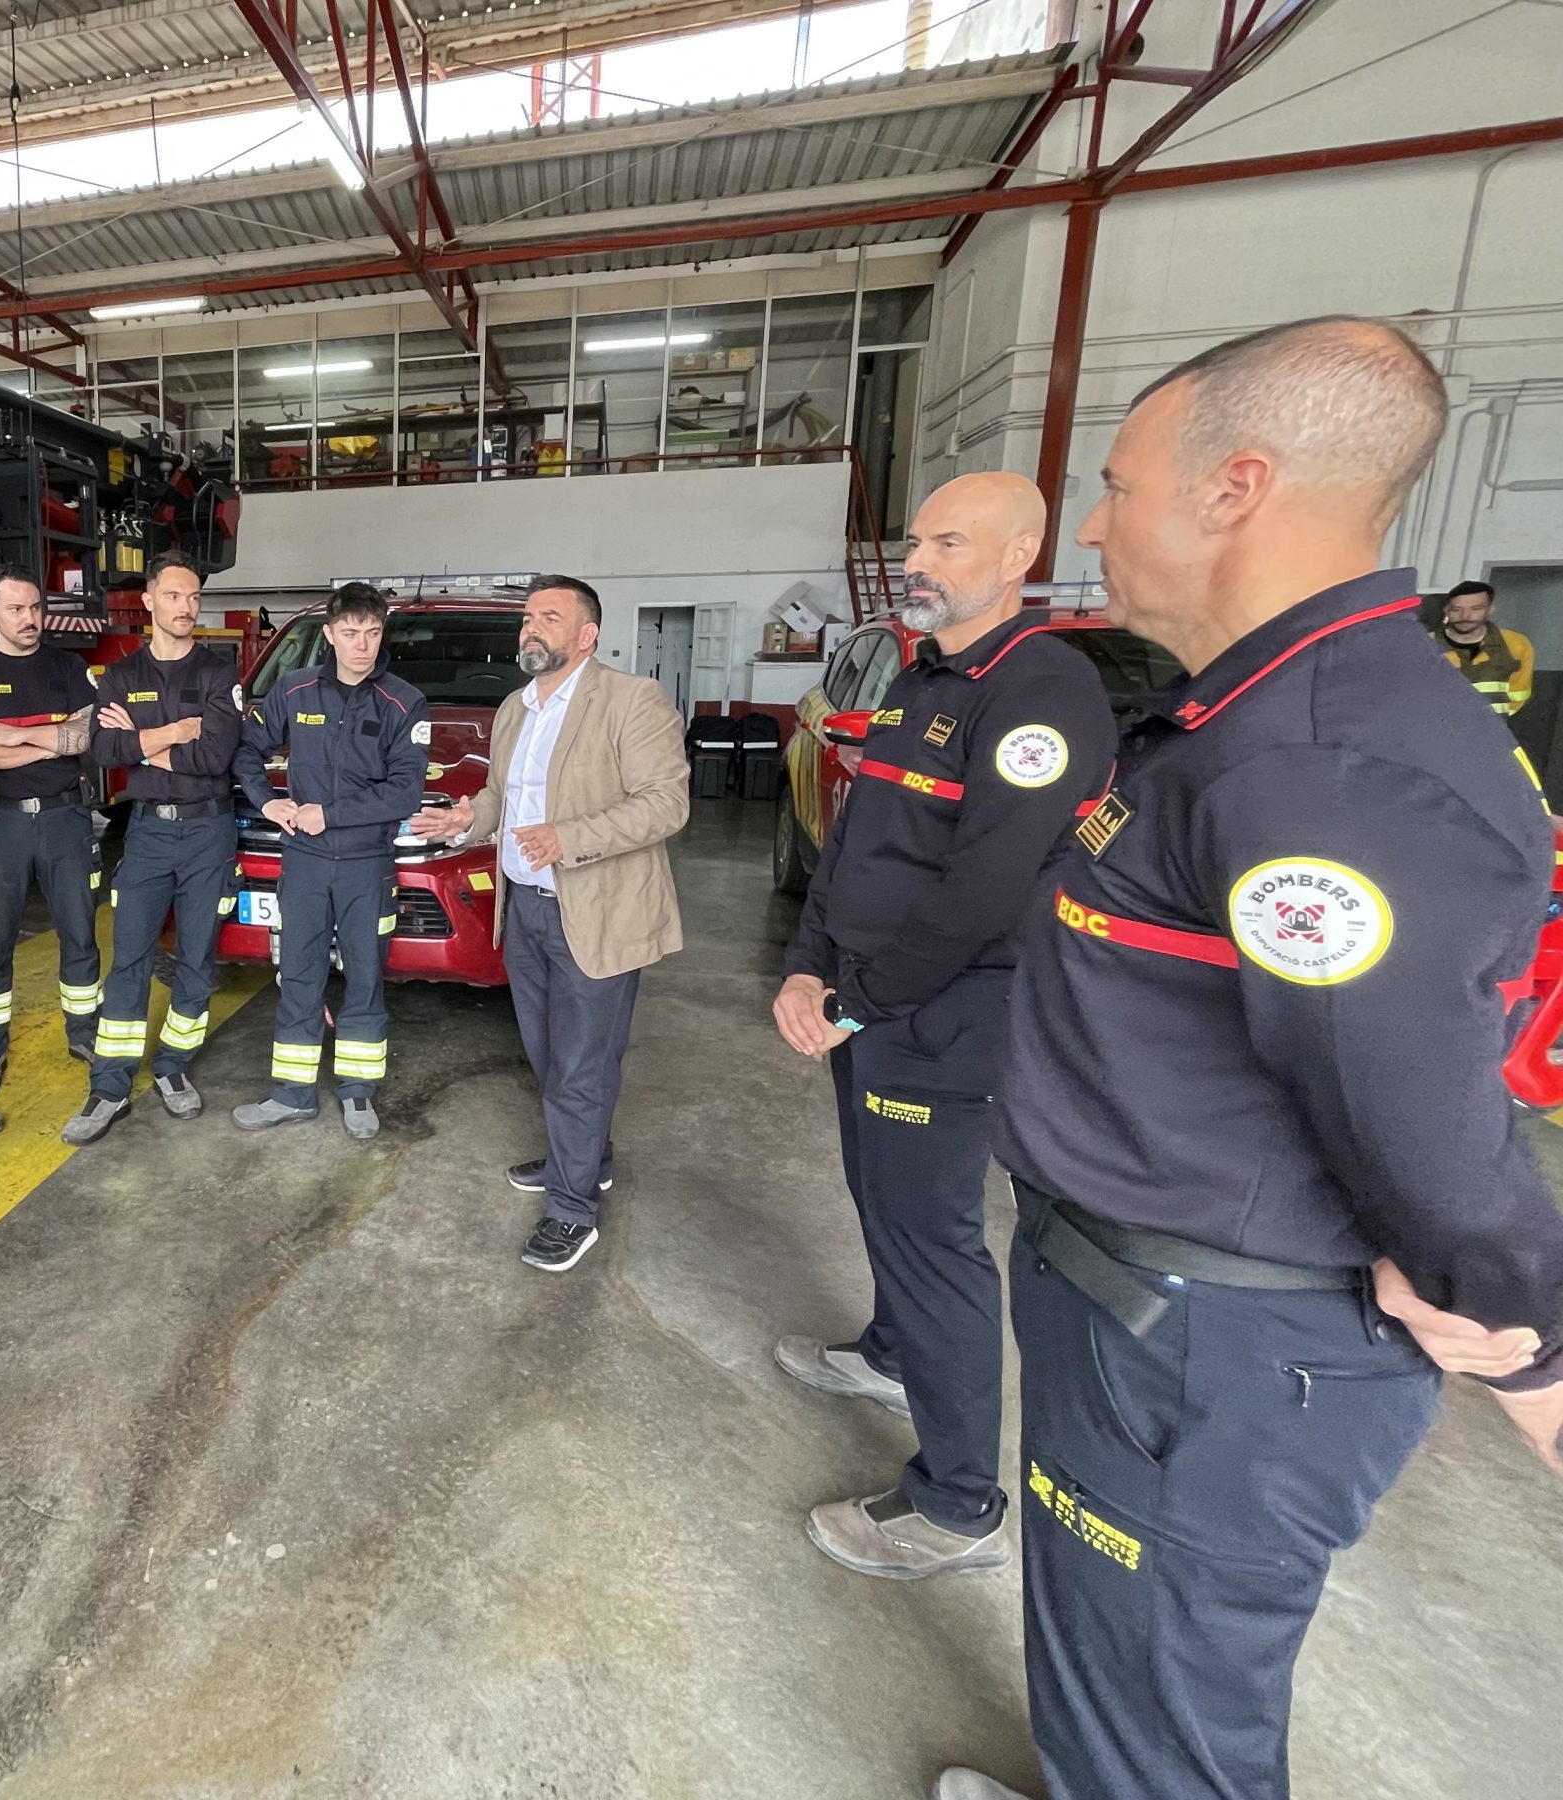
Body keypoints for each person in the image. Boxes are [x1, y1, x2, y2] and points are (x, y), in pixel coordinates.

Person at [941, 319, 1563, 1800]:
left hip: (1215, 1346)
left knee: (1168, 1708)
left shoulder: (1318, 767)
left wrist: (1522, 1326)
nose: (1089, 524)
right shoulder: (1242, 717)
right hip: (1144, 1304)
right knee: (1109, 1648)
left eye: (1114, 485)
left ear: (1237, 487)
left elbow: (1415, 1109)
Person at [769, 473, 1114, 1581]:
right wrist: (807, 964)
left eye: (947, 541)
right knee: (879, 1192)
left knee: (935, 1239)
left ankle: (958, 1502)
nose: (918, 560)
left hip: (944, 1018)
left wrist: (862, 997)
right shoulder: (928, 678)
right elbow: (859, 842)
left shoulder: (1040, 692)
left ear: (1019, 556)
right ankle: (886, 1349)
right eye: (917, 540)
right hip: (866, 1001)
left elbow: (986, 887)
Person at [404, 576, 687, 1271]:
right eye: (528, 617)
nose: (530, 628)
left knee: (580, 1069)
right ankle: (586, 1157)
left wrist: (569, 836)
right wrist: (469, 817)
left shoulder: (631, 700)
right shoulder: (513, 708)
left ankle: (571, 1210)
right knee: (550, 1057)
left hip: (599, 910)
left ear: (587, 635)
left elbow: (666, 805)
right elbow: (505, 795)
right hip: (525, 909)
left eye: (549, 618)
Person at [231, 582, 428, 1139]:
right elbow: (247, 751)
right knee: (298, 974)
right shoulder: (293, 692)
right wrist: (268, 800)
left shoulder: (403, 701)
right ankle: (292, 1095)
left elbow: (405, 793)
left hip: (368, 865)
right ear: (329, 635)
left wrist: (329, 813)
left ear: (381, 633)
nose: (361, 645)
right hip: (306, 864)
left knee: (364, 977)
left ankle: (358, 1094)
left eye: (371, 633)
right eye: (350, 633)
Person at [61, 552, 244, 1147]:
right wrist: (172, 733)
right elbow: (105, 752)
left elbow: (216, 757)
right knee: (131, 956)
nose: (186, 607)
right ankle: (110, 1084)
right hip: (146, 832)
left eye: (194, 598)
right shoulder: (119, 676)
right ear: (150, 602)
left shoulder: (219, 674)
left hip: (208, 831)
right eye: (174, 596)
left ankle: (172, 1067)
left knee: (196, 957)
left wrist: (141, 742)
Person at [0, 562, 102, 1093]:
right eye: (16, 608)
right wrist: (49, 738)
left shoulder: (67, 666)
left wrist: (19, 734)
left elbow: (86, 737)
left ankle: (85, 1031)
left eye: (35, 607)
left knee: (80, 931)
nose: (30, 618)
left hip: (65, 817)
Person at [1435, 577, 1532, 717]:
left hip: (1490, 733)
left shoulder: (1515, 644)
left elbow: (1519, 694)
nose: (1465, 616)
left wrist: (1491, 723)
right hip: (1438, 732)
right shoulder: (1425, 644)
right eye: (1456, 609)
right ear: (1446, 610)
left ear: (1490, 609)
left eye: (1476, 609)